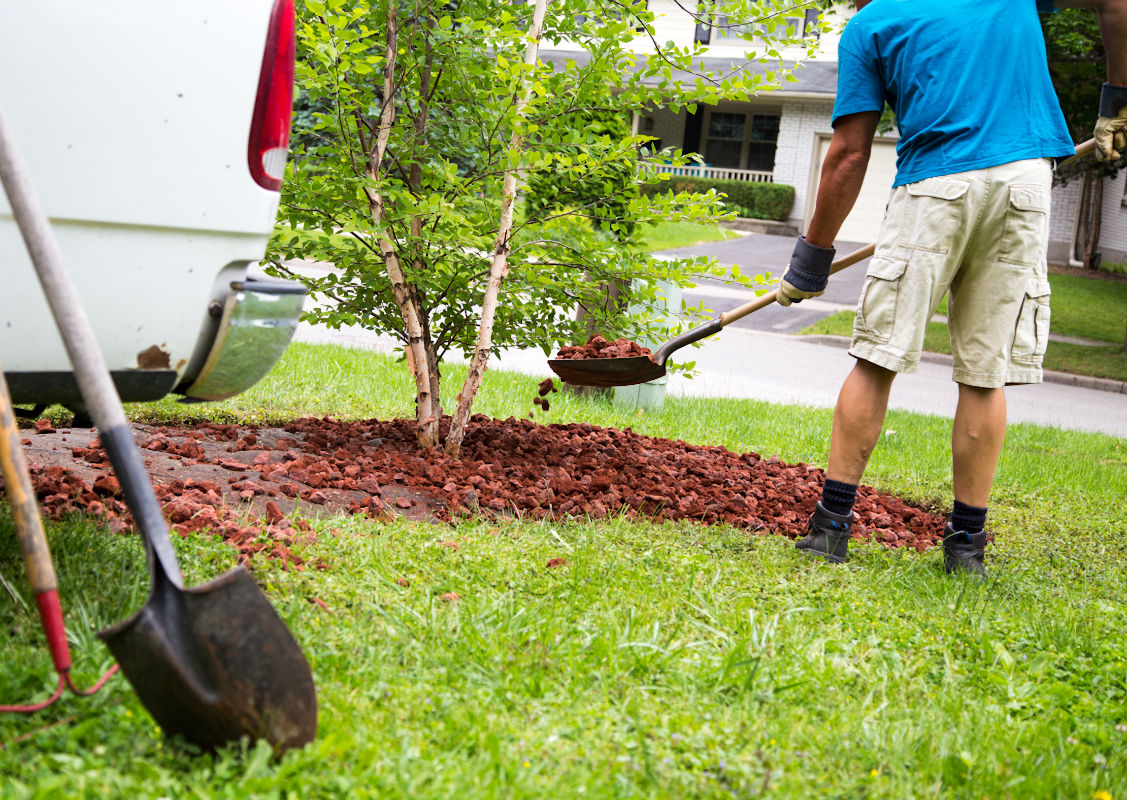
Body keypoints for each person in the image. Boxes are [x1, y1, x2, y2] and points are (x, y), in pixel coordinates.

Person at [778, 0, 1127, 576]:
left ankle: (829, 531)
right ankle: (966, 548)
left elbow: (848, 153)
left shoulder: (871, 24)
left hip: (934, 186)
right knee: (985, 373)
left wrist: (811, 257)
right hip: (1025, 182)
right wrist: (1117, 100)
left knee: (877, 358)